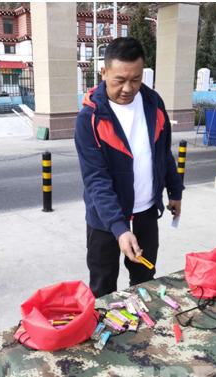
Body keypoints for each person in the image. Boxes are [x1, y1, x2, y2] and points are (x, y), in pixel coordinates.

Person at [74, 37, 184, 298]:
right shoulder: (89, 119)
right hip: (105, 219)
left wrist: (175, 191)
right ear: (104, 72)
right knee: (103, 287)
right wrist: (119, 227)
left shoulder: (153, 103)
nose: (128, 88)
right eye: (120, 80)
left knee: (144, 281)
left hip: (146, 211)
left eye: (135, 79)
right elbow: (96, 179)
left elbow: (163, 152)